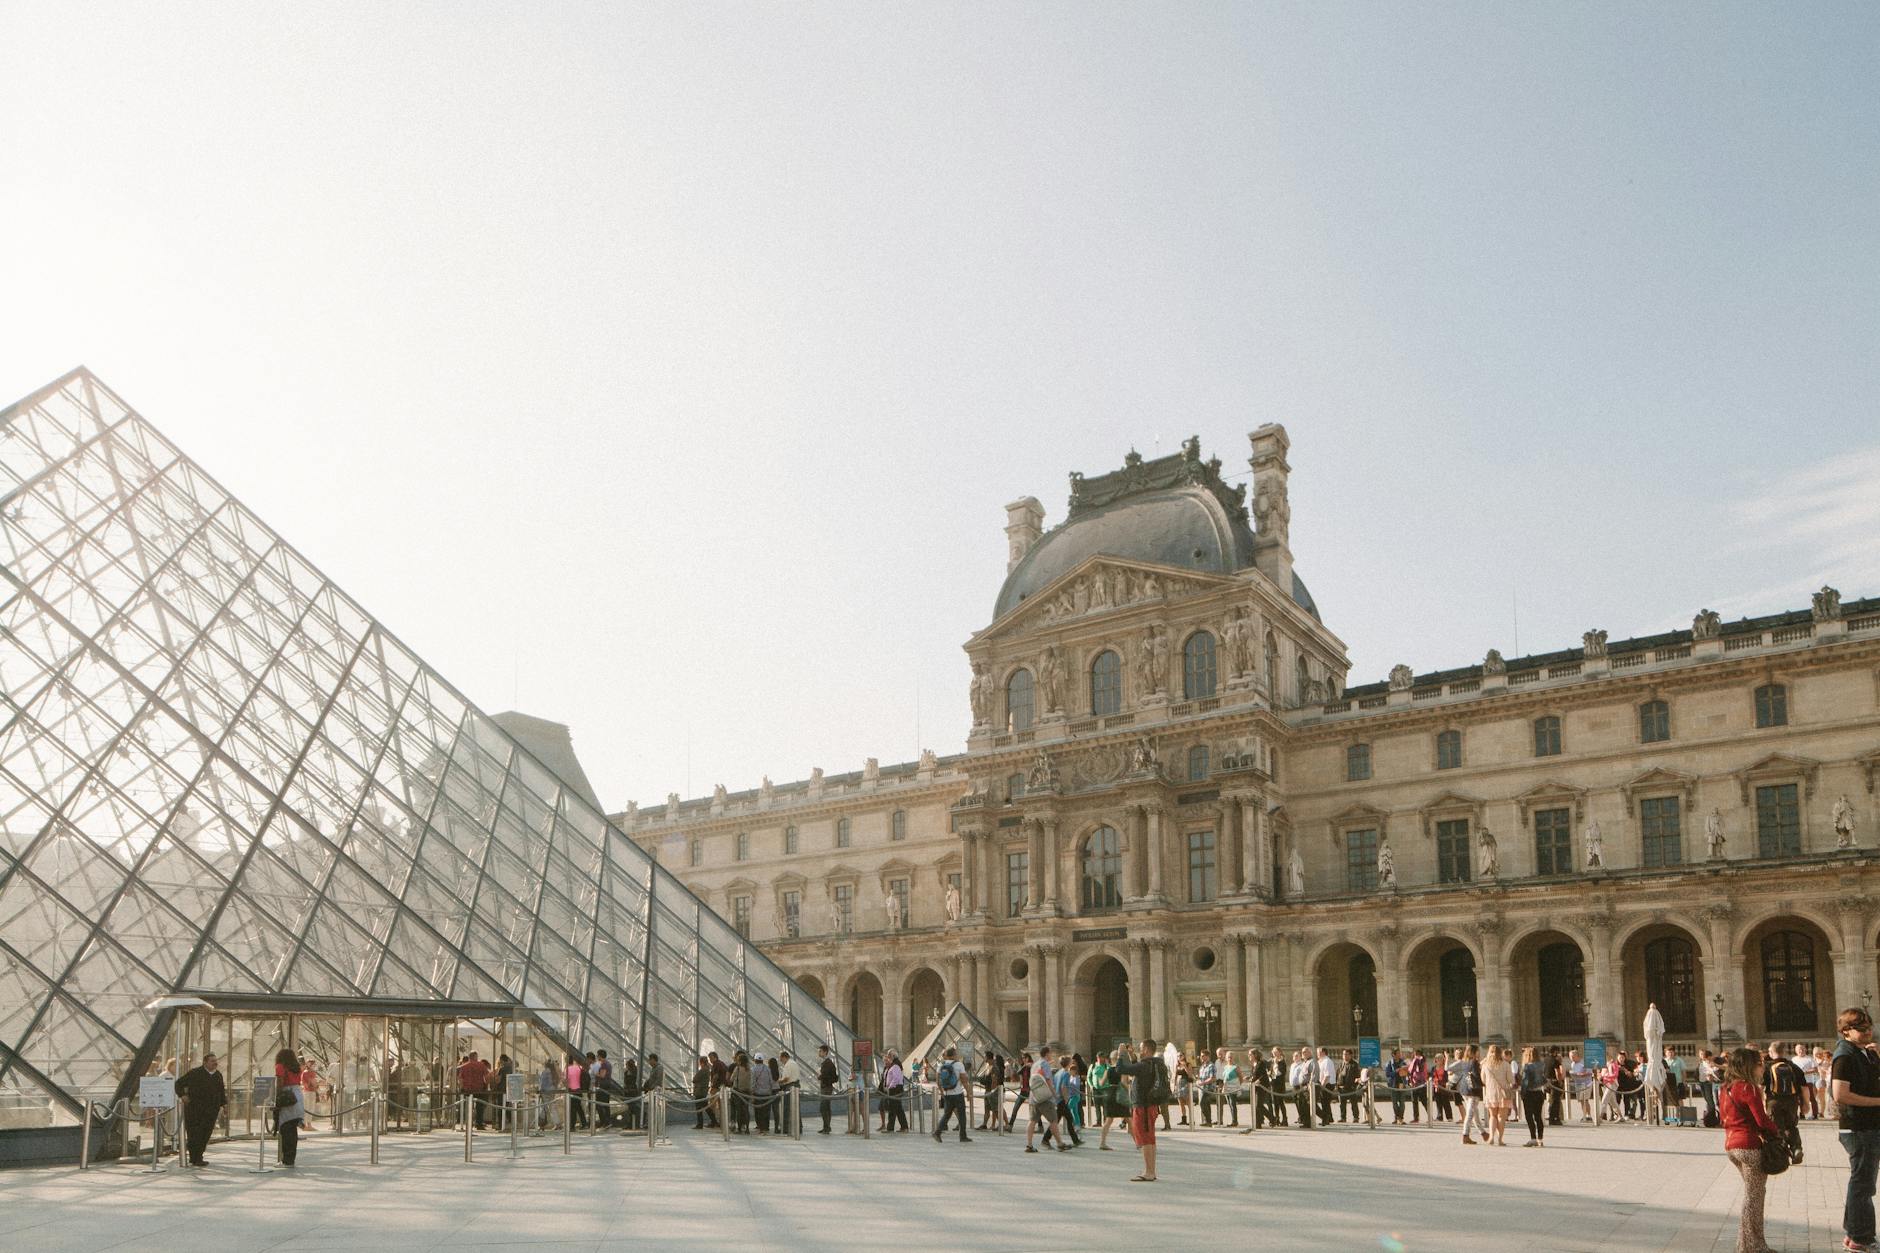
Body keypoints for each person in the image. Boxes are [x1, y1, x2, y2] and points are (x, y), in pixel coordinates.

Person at [1720, 1045, 1784, 1253]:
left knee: (1752, 1194)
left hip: (1731, 1145)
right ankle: (1752, 1246)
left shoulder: (1725, 1087)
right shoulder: (1748, 1088)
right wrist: (1778, 1132)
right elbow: (1762, 1120)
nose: (1763, 1067)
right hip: (1748, 1145)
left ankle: (1748, 1244)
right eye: (1759, 1064)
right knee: (1754, 1197)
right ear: (1749, 1066)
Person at [1832, 1007, 1880, 1253]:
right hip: (1859, 1127)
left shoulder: (1863, 1052)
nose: (1868, 1032)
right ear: (1846, 1031)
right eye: (1861, 1029)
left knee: (1860, 1182)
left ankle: (1853, 1233)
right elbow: (1840, 1094)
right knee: (1863, 1184)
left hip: (1868, 1126)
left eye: (1869, 1027)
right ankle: (1861, 1237)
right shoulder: (1845, 1055)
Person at [1109, 1037, 1166, 1182]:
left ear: (1146, 1049)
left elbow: (1120, 1069)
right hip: (1151, 1106)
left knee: (1144, 1139)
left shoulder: (1144, 1065)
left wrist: (1121, 1054)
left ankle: (1149, 1172)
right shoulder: (1154, 1064)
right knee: (1150, 1138)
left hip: (1143, 1106)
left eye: (1141, 1048)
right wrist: (1132, 1057)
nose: (1139, 1051)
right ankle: (1151, 1170)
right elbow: (1137, 1070)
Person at [175, 1051, 226, 1168]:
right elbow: (179, 1083)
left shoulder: (218, 1075)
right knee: (194, 1133)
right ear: (205, 1062)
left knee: (206, 1133)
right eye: (212, 1061)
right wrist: (182, 1095)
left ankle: (199, 1156)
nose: (215, 1063)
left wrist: (224, 1105)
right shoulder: (195, 1073)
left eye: (216, 1061)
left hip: (211, 1110)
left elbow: (221, 1091)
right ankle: (195, 1157)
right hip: (195, 1110)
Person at [1764, 1041, 1805, 1162]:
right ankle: (1796, 1148)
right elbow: (1804, 1087)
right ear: (1785, 1052)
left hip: (1773, 1101)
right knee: (1791, 1126)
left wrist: (1762, 1102)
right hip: (1791, 1101)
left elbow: (1761, 1087)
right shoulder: (1793, 1066)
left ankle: (1780, 1155)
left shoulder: (1767, 1067)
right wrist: (1805, 1104)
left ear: (1771, 1053)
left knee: (1776, 1128)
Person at [1026, 1046, 1065, 1152]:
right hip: (1045, 1098)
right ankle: (1060, 1143)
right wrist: (1054, 1093)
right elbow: (1048, 1080)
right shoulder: (1045, 1065)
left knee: (1032, 1120)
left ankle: (1029, 1145)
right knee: (1053, 1120)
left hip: (1034, 1096)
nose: (1051, 1055)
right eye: (1050, 1053)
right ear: (1047, 1054)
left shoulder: (1035, 1064)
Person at [273, 1047, 306, 1167]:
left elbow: (280, 1082)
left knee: (285, 1129)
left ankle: (286, 1160)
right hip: (297, 1095)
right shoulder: (296, 1067)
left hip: (287, 1096)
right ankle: (290, 1158)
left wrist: (276, 1097)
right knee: (292, 1129)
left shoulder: (280, 1066)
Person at [931, 1046, 971, 1142]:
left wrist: (942, 1092)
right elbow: (964, 1081)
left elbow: (938, 1081)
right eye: (956, 1054)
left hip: (947, 1093)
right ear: (953, 1055)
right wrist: (969, 1093)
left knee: (947, 1115)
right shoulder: (959, 1065)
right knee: (962, 1115)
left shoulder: (941, 1065)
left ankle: (937, 1132)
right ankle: (963, 1136)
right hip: (958, 1093)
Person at [1481, 1044, 1514, 1147]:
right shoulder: (1505, 1064)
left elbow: (1483, 1080)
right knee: (1501, 1117)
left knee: (1493, 1116)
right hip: (1503, 1093)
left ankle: (1491, 1137)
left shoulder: (1485, 1065)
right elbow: (1511, 1080)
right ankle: (1500, 1139)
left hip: (1491, 1093)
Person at [1450, 1044, 1482, 1144]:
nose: (1479, 1053)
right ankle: (1465, 1135)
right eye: (1478, 1051)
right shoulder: (1474, 1063)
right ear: (1474, 1052)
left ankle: (1483, 1133)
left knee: (1474, 1112)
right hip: (1473, 1090)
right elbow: (1477, 1077)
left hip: (1464, 1090)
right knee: (1470, 1114)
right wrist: (1484, 1083)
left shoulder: (1464, 1062)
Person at [1518, 1046, 1548, 1147]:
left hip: (1529, 1093)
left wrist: (1522, 1093)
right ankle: (1540, 1138)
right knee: (1538, 1116)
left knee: (1529, 1116)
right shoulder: (1541, 1065)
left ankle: (1533, 1138)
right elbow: (1544, 1079)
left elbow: (1525, 1082)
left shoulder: (1527, 1066)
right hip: (1539, 1093)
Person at [457, 1050, 489, 1130]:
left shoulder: (464, 1066)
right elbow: (486, 1077)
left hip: (467, 1089)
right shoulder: (481, 1065)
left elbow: (460, 1079)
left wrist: (461, 1088)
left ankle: (468, 1123)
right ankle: (479, 1124)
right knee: (480, 1107)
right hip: (479, 1089)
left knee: (468, 1107)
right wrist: (486, 1086)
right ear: (476, 1057)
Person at [816, 1045, 838, 1134]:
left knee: (824, 1107)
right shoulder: (827, 1062)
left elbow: (828, 1075)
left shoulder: (827, 1063)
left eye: (820, 1051)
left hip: (826, 1087)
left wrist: (820, 1076)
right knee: (826, 1107)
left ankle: (827, 1127)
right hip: (827, 1087)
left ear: (825, 1052)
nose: (819, 1053)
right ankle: (826, 1126)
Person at [753, 1051, 777, 1134]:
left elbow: (752, 1082)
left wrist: (752, 1091)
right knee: (766, 1111)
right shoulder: (767, 1068)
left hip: (757, 1093)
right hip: (767, 1093)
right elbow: (771, 1080)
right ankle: (766, 1126)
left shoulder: (753, 1069)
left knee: (758, 1110)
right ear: (762, 1060)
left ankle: (760, 1126)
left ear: (755, 1060)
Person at [1337, 1049, 1363, 1124]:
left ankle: (1356, 1117)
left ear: (1350, 1055)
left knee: (1354, 1103)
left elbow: (1358, 1075)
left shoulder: (1354, 1064)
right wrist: (1337, 1084)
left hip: (1351, 1087)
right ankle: (1343, 1117)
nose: (1345, 1056)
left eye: (1346, 1054)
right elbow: (1337, 1074)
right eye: (1343, 1054)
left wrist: (1355, 1085)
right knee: (1342, 1104)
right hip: (1341, 1087)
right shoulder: (1341, 1064)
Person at [564, 1052, 588, 1129]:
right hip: (579, 1090)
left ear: (566, 1061)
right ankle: (584, 1123)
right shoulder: (578, 1067)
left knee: (572, 1109)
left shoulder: (567, 1069)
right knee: (578, 1108)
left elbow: (566, 1081)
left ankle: (572, 1125)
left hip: (571, 1090)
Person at [731, 1052, 753, 1134]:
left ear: (739, 1061)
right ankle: (747, 1128)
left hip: (738, 1091)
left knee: (739, 1111)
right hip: (747, 1092)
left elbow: (731, 1079)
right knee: (746, 1110)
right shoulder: (749, 1069)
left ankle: (740, 1128)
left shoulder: (738, 1068)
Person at [691, 1056, 712, 1129]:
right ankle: (714, 1121)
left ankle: (700, 1124)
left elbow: (694, 1079)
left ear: (701, 1062)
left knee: (699, 1108)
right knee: (706, 1107)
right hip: (704, 1091)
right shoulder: (708, 1070)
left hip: (699, 1091)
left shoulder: (703, 1070)